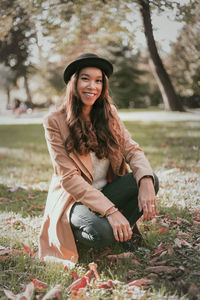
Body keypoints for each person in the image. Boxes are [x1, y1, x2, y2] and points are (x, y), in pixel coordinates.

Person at [39, 53, 159, 266]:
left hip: (107, 191)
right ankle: (92, 230)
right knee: (102, 234)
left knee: (148, 179)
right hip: (75, 201)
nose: (92, 86)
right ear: (73, 82)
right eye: (85, 78)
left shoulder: (109, 113)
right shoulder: (54, 121)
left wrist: (146, 181)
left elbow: (132, 149)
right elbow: (68, 178)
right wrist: (111, 211)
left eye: (98, 80)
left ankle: (124, 229)